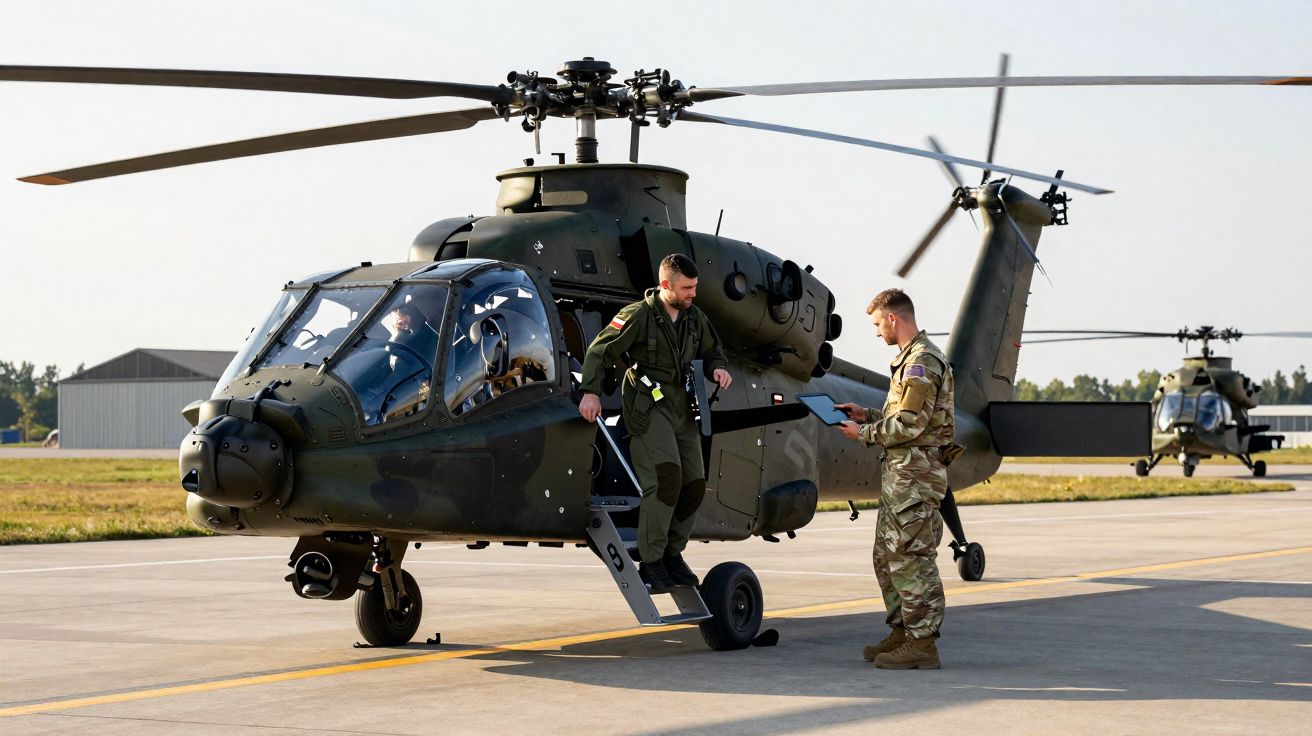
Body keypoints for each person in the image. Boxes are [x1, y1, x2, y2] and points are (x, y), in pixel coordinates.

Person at [578, 253, 732, 594]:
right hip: (648, 407)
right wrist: (590, 392)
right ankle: (651, 560)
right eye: (687, 288)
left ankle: (671, 554)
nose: (693, 294)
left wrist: (717, 368)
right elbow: (600, 350)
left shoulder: (694, 318)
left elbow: (713, 350)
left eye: (695, 286)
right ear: (666, 285)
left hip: (681, 408)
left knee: (694, 485)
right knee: (665, 480)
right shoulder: (638, 315)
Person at [835, 288, 956, 670]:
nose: (876, 332)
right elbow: (904, 416)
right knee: (886, 557)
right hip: (901, 477)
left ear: (893, 318)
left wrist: (864, 433)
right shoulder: (908, 361)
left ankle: (922, 643)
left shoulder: (921, 363)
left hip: (916, 477)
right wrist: (867, 414)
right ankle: (902, 632)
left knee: (911, 558)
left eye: (877, 324)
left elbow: (911, 423)